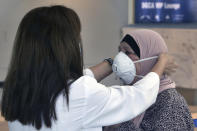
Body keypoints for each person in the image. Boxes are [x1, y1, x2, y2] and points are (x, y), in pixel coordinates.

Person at [1, 6, 175, 131]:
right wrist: (161, 62)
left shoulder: (17, 88)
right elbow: (137, 97)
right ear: (64, 46)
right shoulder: (81, 93)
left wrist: (114, 62)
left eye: (127, 52)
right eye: (77, 37)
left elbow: (72, 84)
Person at [104, 29, 194, 131]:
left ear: (150, 58)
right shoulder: (128, 94)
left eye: (127, 52)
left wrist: (118, 125)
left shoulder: (170, 103)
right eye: (119, 51)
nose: (120, 58)